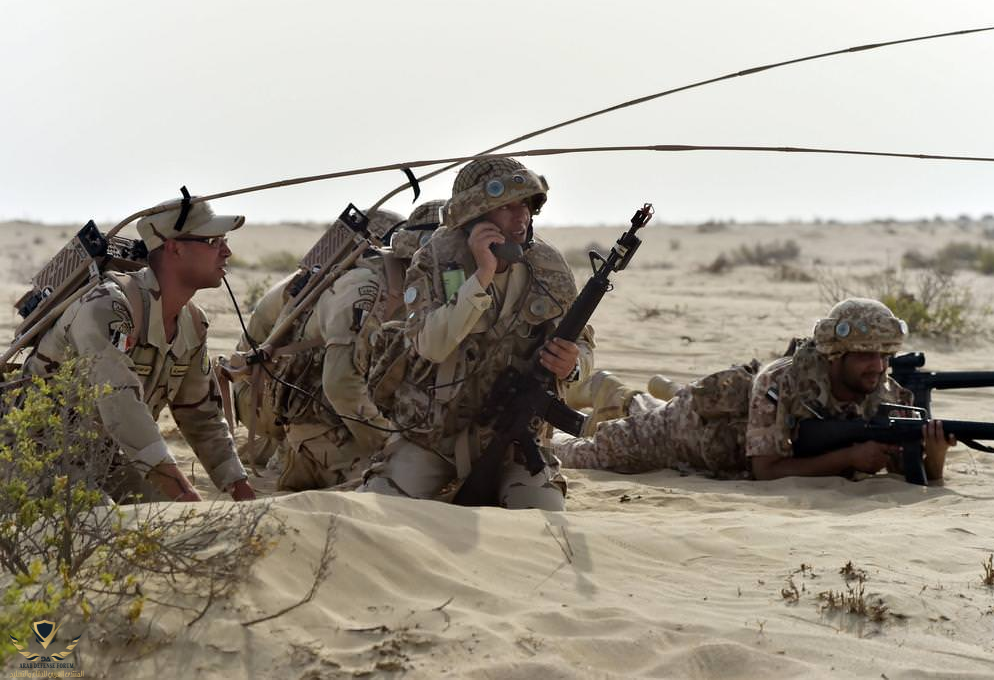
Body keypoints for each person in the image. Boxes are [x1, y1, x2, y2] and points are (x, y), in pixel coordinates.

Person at [359, 158, 595, 510]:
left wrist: (573, 365)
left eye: (525, 205)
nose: (521, 217)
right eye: (506, 206)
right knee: (380, 508)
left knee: (542, 517)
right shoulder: (435, 260)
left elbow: (583, 343)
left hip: (515, 441)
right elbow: (431, 345)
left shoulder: (548, 267)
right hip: (433, 438)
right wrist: (482, 275)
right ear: (475, 215)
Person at [553, 298, 953, 482]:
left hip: (725, 447)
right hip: (687, 431)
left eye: (884, 356)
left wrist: (934, 458)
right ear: (835, 355)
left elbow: (909, 473)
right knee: (580, 456)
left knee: (637, 414)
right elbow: (767, 470)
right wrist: (849, 457)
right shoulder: (780, 381)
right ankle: (607, 402)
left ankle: (620, 396)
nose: (878, 367)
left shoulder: (887, 393)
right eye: (865, 356)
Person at [21, 196, 256, 502]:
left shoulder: (192, 322)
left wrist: (240, 489)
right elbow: (121, 405)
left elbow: (202, 416)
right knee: (107, 520)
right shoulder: (107, 306)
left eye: (224, 241)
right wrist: (185, 495)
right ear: (174, 248)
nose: (226, 251)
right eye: (213, 241)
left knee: (169, 516)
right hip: (32, 452)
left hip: (103, 455)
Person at [234, 205, 446, 491]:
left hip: (307, 398)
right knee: (396, 483)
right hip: (267, 397)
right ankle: (292, 455)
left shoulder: (390, 284)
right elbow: (340, 383)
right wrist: (389, 443)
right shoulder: (359, 285)